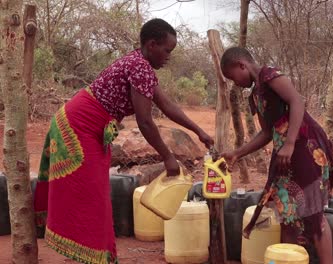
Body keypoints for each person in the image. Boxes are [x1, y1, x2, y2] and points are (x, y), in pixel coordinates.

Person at [34, 18, 213, 264]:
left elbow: (167, 104)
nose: (169, 57)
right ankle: (92, 257)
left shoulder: (140, 65)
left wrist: (198, 130)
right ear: (152, 44)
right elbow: (145, 121)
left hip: (88, 127)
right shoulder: (139, 66)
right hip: (79, 127)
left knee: (96, 196)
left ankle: (95, 256)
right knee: (91, 196)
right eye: (167, 50)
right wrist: (168, 157)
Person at [219, 47, 333, 264]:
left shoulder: (270, 75)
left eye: (232, 77)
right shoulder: (256, 95)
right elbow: (267, 133)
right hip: (286, 156)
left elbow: (296, 102)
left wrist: (291, 143)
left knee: (313, 214)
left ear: (241, 65)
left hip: (306, 149)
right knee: (288, 214)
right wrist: (238, 153)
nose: (234, 83)